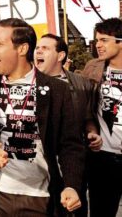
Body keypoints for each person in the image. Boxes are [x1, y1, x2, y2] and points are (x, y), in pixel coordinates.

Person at [0, 18, 84, 216]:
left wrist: (71, 185)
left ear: (22, 49)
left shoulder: (57, 89)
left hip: (39, 198)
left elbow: (70, 144)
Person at [34, 33, 98, 216]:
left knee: (76, 207)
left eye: (45, 48)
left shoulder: (81, 84)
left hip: (73, 162)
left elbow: (88, 117)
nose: (38, 51)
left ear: (60, 55)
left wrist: (92, 132)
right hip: (41, 167)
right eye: (37, 48)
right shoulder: (28, 83)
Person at [81, 17, 122, 217]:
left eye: (104, 40)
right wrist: (92, 131)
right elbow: (87, 110)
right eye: (97, 40)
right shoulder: (93, 67)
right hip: (103, 158)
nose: (98, 45)